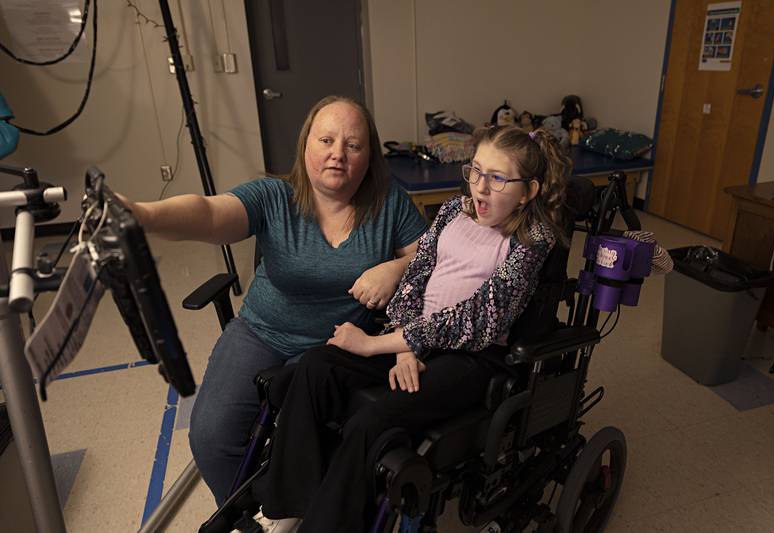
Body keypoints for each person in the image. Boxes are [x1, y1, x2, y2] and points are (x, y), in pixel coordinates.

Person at [252, 125, 572, 532]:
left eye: (498, 179)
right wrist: (404, 347)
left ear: (527, 192)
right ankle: (286, 507)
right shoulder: (454, 211)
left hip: (474, 359)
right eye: (476, 171)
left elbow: (478, 318)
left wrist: (376, 346)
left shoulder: (533, 238)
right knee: (316, 366)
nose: (481, 188)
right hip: (414, 338)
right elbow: (415, 276)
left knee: (373, 419)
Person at [121, 95, 428, 504]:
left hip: (337, 347)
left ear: (369, 156)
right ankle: (247, 514)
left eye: (353, 145)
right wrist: (143, 216)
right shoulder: (273, 196)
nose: (338, 154)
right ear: (305, 147)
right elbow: (209, 214)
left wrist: (394, 269)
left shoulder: (390, 202)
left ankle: (302, 510)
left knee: (306, 447)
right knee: (211, 435)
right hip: (261, 331)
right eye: (326, 140)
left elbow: (432, 259)